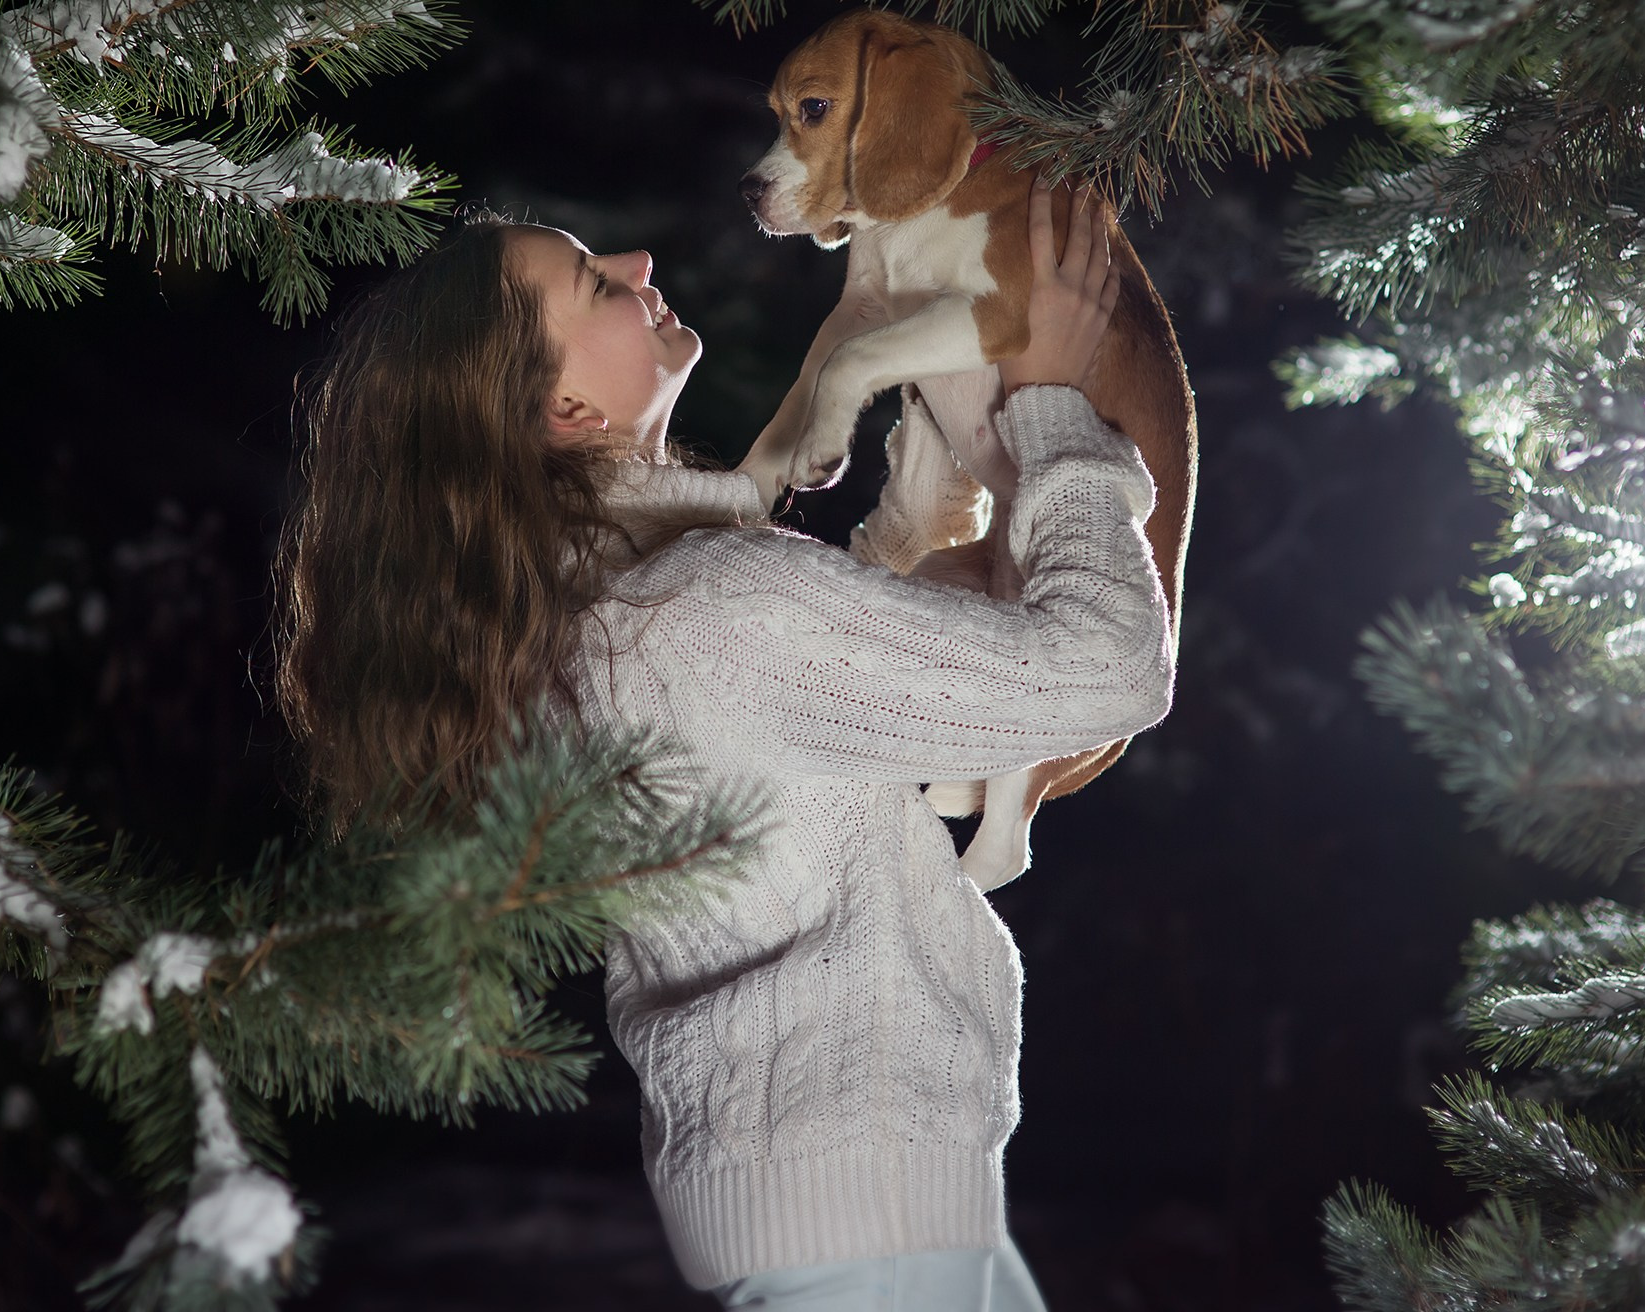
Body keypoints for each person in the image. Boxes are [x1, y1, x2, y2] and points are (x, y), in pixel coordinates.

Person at [276, 178, 1174, 1310]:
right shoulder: (696, 613)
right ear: (565, 409)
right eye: (594, 283)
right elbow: (1108, 669)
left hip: (847, 1208)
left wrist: (929, 517)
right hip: (868, 1214)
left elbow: (839, 709)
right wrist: (1049, 405)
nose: (640, 264)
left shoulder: (597, 625)